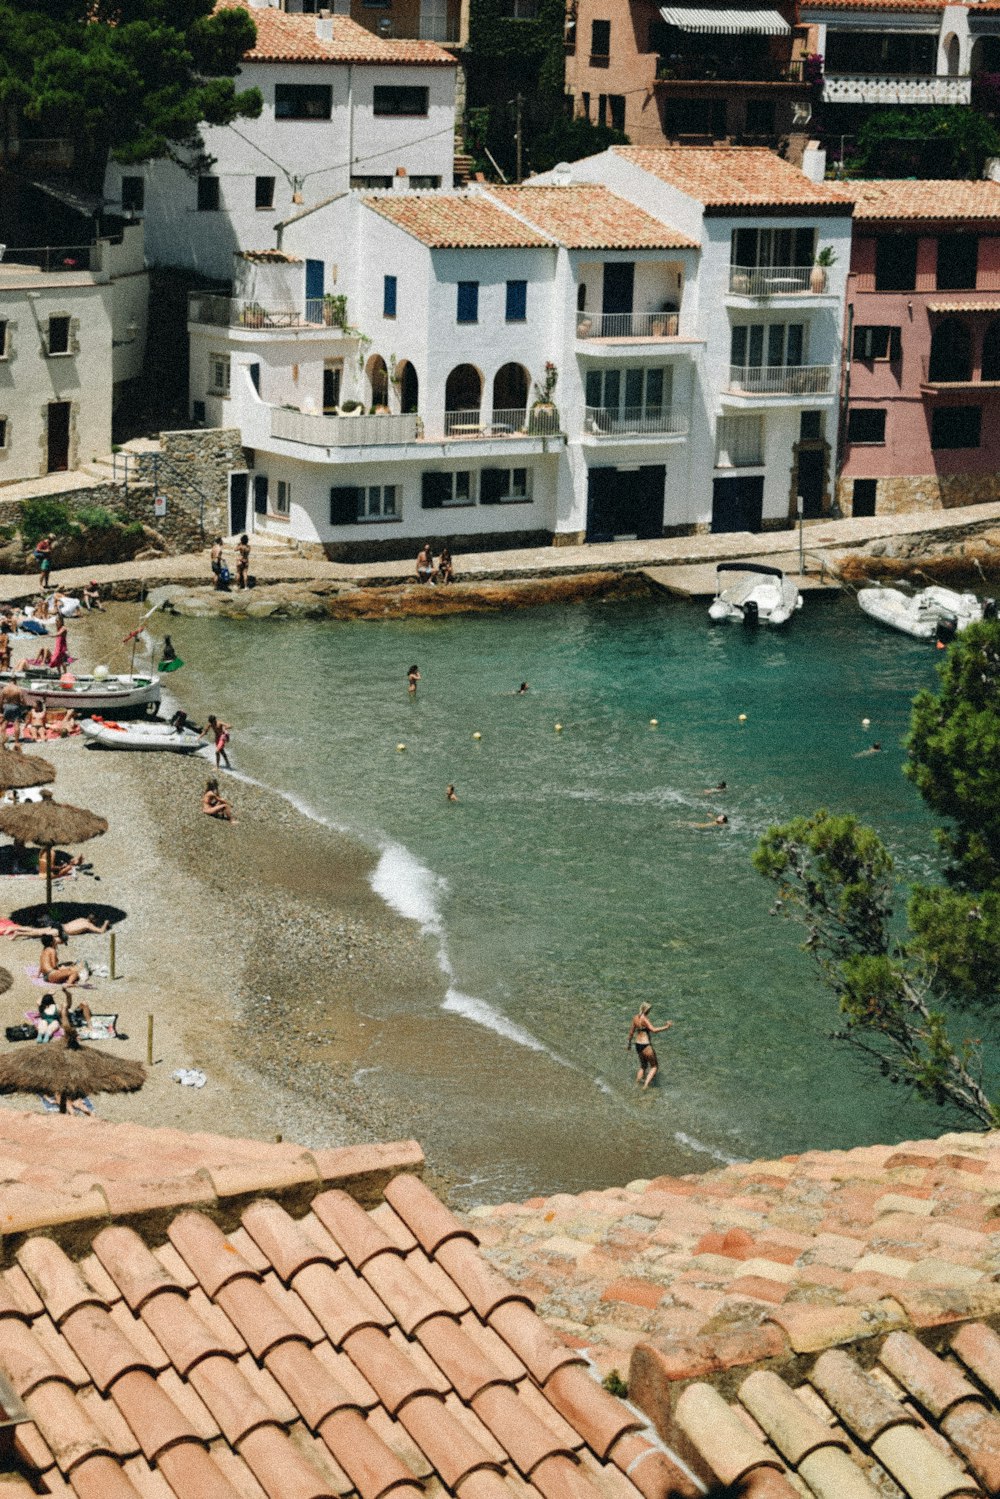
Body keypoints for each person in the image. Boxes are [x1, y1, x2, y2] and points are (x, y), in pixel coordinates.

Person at [627, 1002, 673, 1090]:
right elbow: (654, 1030)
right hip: (646, 1045)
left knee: (643, 1066)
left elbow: (631, 1032)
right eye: (649, 1010)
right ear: (647, 1010)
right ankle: (645, 1086)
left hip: (638, 1044)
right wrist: (666, 1027)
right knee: (654, 1066)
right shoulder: (644, 1019)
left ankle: (637, 1083)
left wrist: (629, 1044)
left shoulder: (635, 1018)